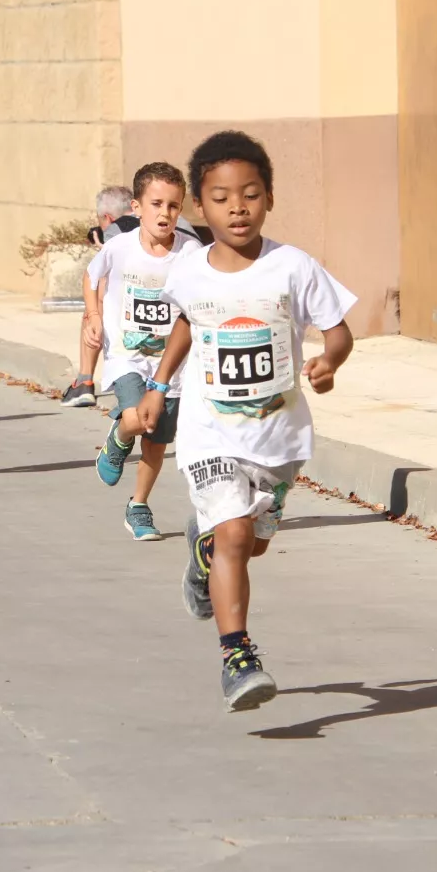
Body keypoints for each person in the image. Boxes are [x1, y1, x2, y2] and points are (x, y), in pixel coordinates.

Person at [137, 131, 357, 712]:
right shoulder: (188, 271)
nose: (237, 207)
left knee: (249, 545)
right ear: (199, 207)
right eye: (221, 197)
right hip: (209, 431)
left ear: (269, 198)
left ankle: (201, 550)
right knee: (234, 532)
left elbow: (338, 330)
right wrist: (160, 385)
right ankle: (238, 657)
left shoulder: (294, 267)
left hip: (278, 438)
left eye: (251, 194)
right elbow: (188, 322)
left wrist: (329, 361)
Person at [86, 162, 202, 541]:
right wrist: (93, 316)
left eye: (173, 205)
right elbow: (91, 277)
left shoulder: (190, 252)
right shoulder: (119, 246)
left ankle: (138, 506)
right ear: (136, 207)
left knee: (155, 439)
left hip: (171, 366)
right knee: (137, 418)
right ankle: (118, 440)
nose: (165, 214)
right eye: (156, 204)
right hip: (126, 354)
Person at [60, 186, 134, 408]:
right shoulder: (173, 222)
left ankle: (84, 382)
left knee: (96, 299)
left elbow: (100, 285)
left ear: (107, 217)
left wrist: (94, 314)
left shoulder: (116, 229)